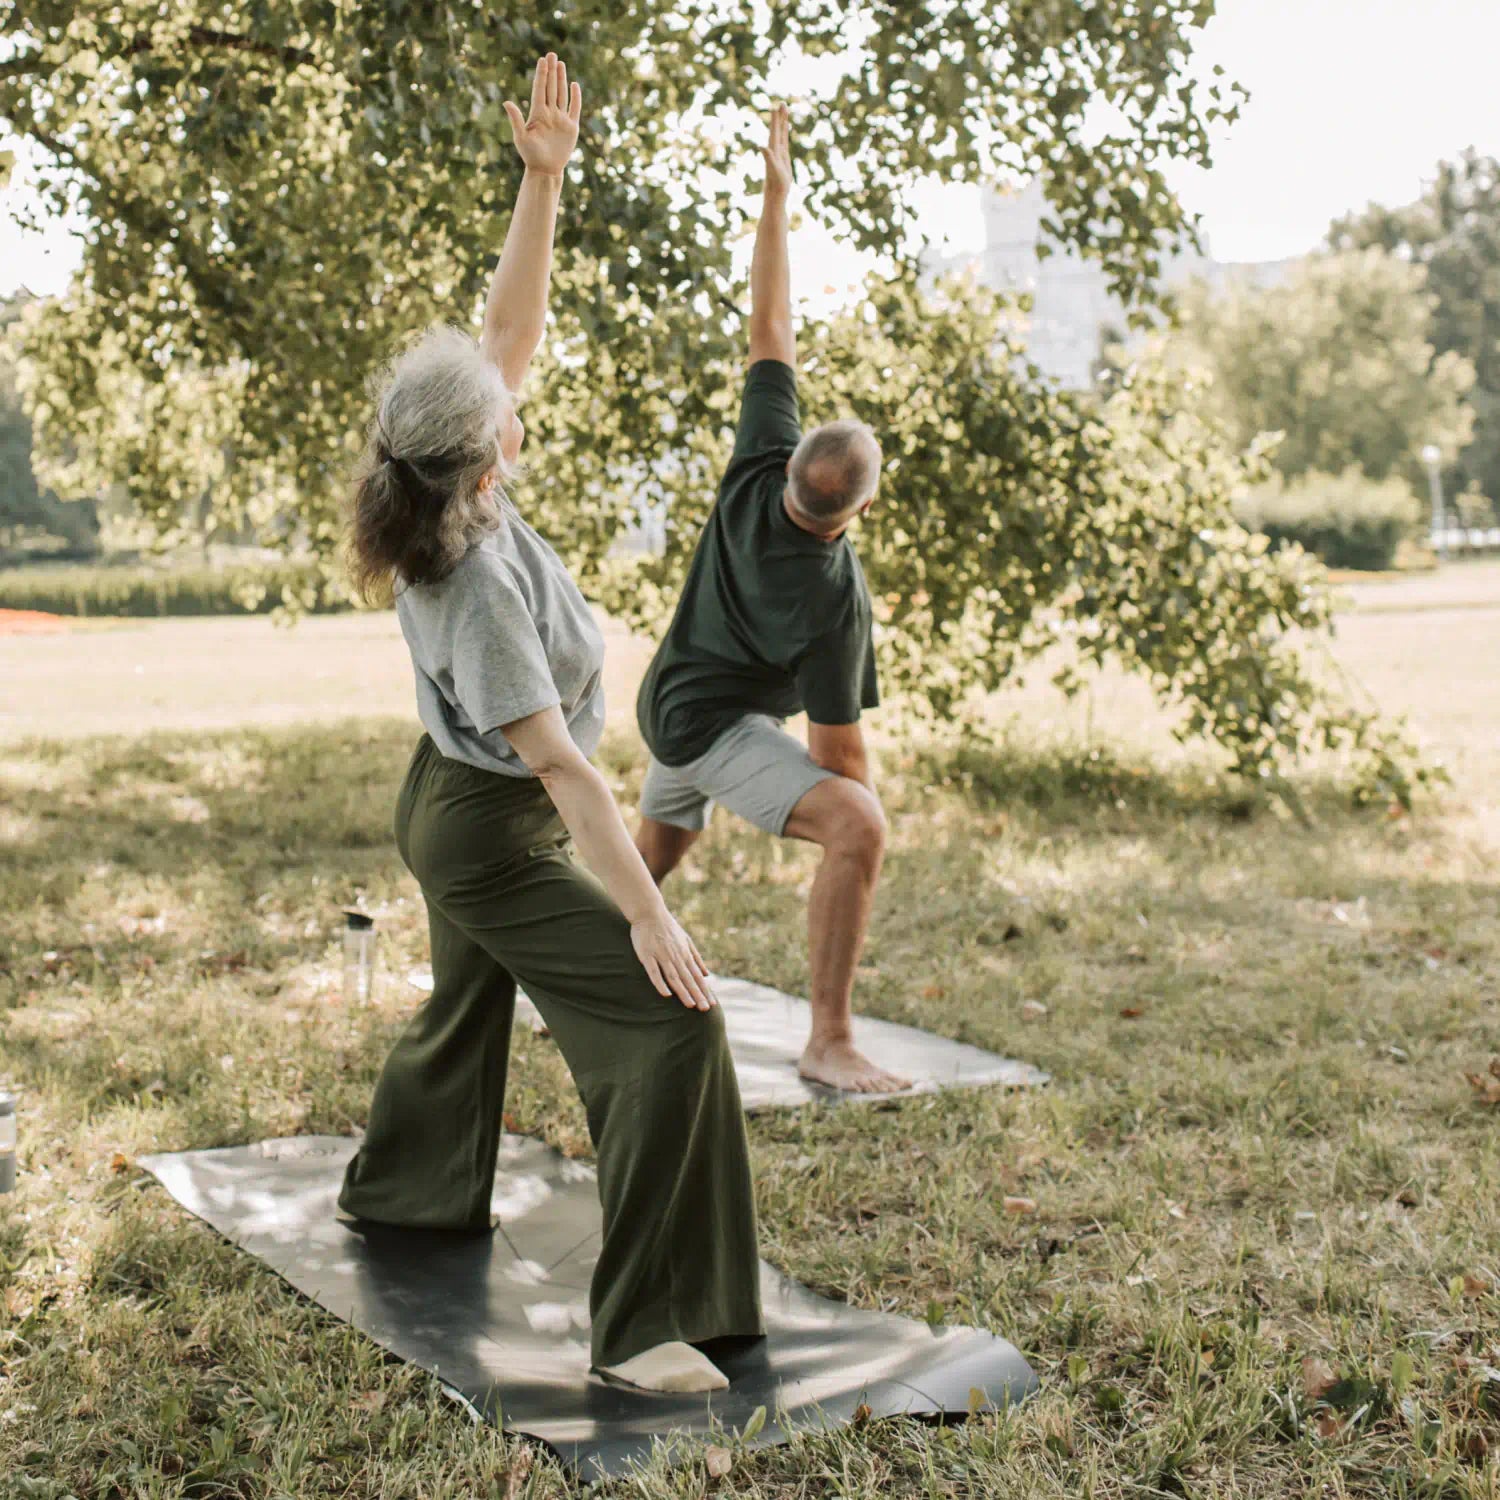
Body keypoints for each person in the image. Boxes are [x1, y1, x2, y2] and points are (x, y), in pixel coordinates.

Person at [338, 54, 761, 1396]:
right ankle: (647, 1332)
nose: (515, 387)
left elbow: (504, 336)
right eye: (505, 407)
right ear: (492, 452)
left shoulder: (449, 485)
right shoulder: (474, 594)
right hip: (489, 832)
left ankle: (405, 1194)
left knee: (467, 1007)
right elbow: (572, 779)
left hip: (448, 802)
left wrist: (543, 181)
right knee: (671, 1026)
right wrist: (651, 914)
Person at [634, 105, 907, 1095]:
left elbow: (769, 323)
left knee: (654, 854)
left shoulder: (753, 464)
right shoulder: (837, 599)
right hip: (708, 722)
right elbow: (842, 765)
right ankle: (828, 1038)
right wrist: (864, 805)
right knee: (859, 827)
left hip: (672, 698)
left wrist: (777, 197)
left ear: (789, 462)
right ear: (857, 510)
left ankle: (563, 975)